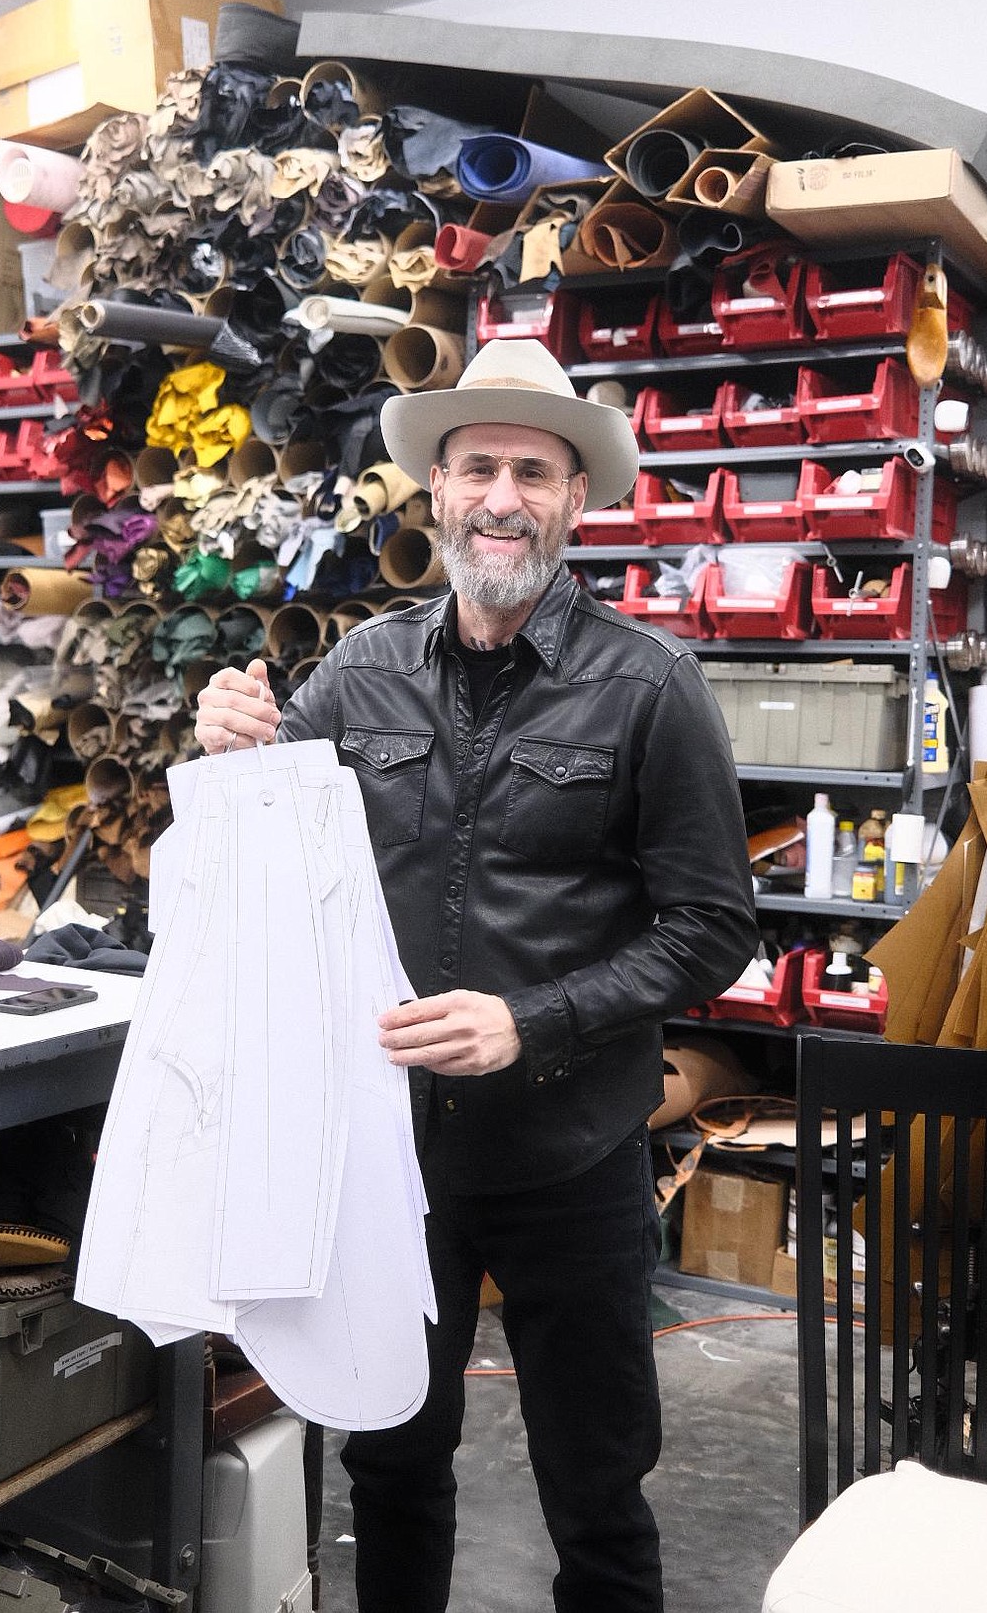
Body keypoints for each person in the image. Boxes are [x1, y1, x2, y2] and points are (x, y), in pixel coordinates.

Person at [195, 337, 758, 1613]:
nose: (503, 497)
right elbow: (275, 855)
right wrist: (228, 747)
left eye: (534, 472)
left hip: (572, 1156)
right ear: (436, 493)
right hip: (395, 1166)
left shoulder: (650, 687)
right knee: (390, 1469)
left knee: (598, 1489)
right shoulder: (360, 672)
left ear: (575, 499)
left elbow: (715, 927)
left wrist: (533, 1022)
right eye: (478, 469)